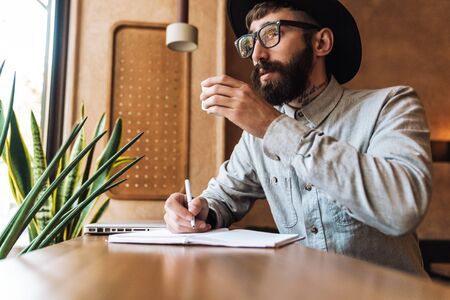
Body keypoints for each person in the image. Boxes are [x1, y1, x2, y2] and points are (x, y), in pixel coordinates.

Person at [164, 0, 431, 276]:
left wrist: (273, 127)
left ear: (321, 43)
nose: (257, 54)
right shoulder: (256, 136)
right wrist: (195, 212)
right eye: (251, 41)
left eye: (271, 33)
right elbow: (223, 198)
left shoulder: (391, 105)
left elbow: (402, 208)